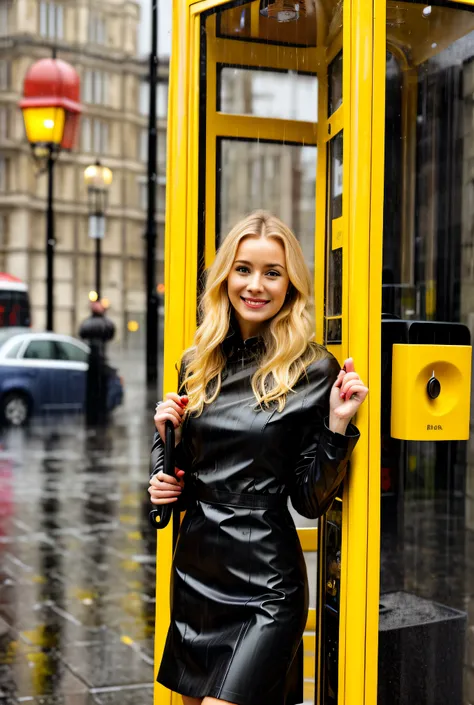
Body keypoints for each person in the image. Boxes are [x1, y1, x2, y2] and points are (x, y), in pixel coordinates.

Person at [148, 211, 368, 705]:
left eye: (273, 272)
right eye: (244, 269)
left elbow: (309, 501)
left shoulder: (313, 368)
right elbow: (181, 466)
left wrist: (336, 425)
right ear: (226, 275)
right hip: (197, 574)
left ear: (291, 284)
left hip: (267, 586)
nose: (256, 285)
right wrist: (162, 462)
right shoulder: (196, 362)